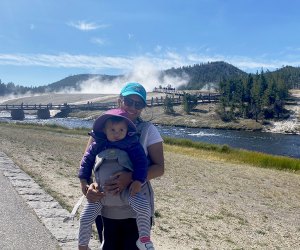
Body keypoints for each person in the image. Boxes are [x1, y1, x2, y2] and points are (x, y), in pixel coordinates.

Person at [80, 82, 164, 250]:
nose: (132, 107)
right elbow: (86, 161)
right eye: (128, 101)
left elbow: (159, 167)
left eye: (138, 103)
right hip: (104, 206)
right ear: (119, 101)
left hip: (134, 208)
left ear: (142, 107)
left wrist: (131, 177)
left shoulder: (148, 130)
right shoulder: (103, 128)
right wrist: (87, 187)